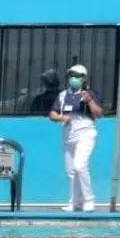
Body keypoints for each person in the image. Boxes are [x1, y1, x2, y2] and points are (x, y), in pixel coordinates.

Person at [49, 63, 102, 213]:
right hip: (68, 134)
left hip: (85, 132)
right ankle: (74, 202)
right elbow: (52, 114)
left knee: (80, 165)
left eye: (77, 76)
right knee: (71, 171)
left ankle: (89, 199)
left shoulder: (89, 94)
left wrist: (89, 101)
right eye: (71, 75)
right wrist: (61, 117)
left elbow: (99, 113)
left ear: (83, 79)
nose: (73, 78)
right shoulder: (63, 95)